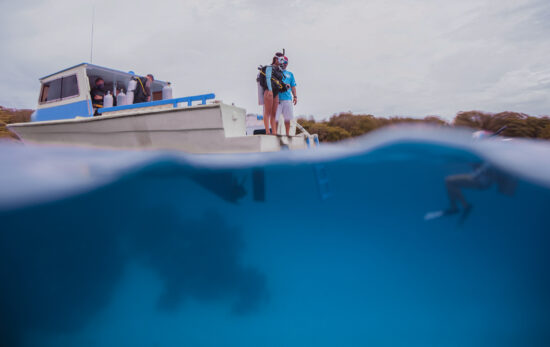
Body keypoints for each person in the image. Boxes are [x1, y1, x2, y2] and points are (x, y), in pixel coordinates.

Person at [258, 53, 287, 135]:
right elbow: (268, 78)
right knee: (267, 112)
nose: (282, 62)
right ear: (276, 59)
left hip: (276, 92)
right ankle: (267, 131)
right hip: (269, 91)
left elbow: (280, 81)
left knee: (274, 114)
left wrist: (285, 86)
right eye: (281, 59)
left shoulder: (279, 70)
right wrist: (270, 90)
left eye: (283, 60)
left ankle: (274, 132)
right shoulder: (269, 68)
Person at [275, 56, 297, 136]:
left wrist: (295, 97)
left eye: (285, 62)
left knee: (287, 119)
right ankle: (275, 133)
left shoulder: (290, 74)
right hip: (277, 99)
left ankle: (288, 134)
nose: (284, 64)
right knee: (276, 119)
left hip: (287, 99)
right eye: (282, 62)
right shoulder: (276, 72)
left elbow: (293, 86)